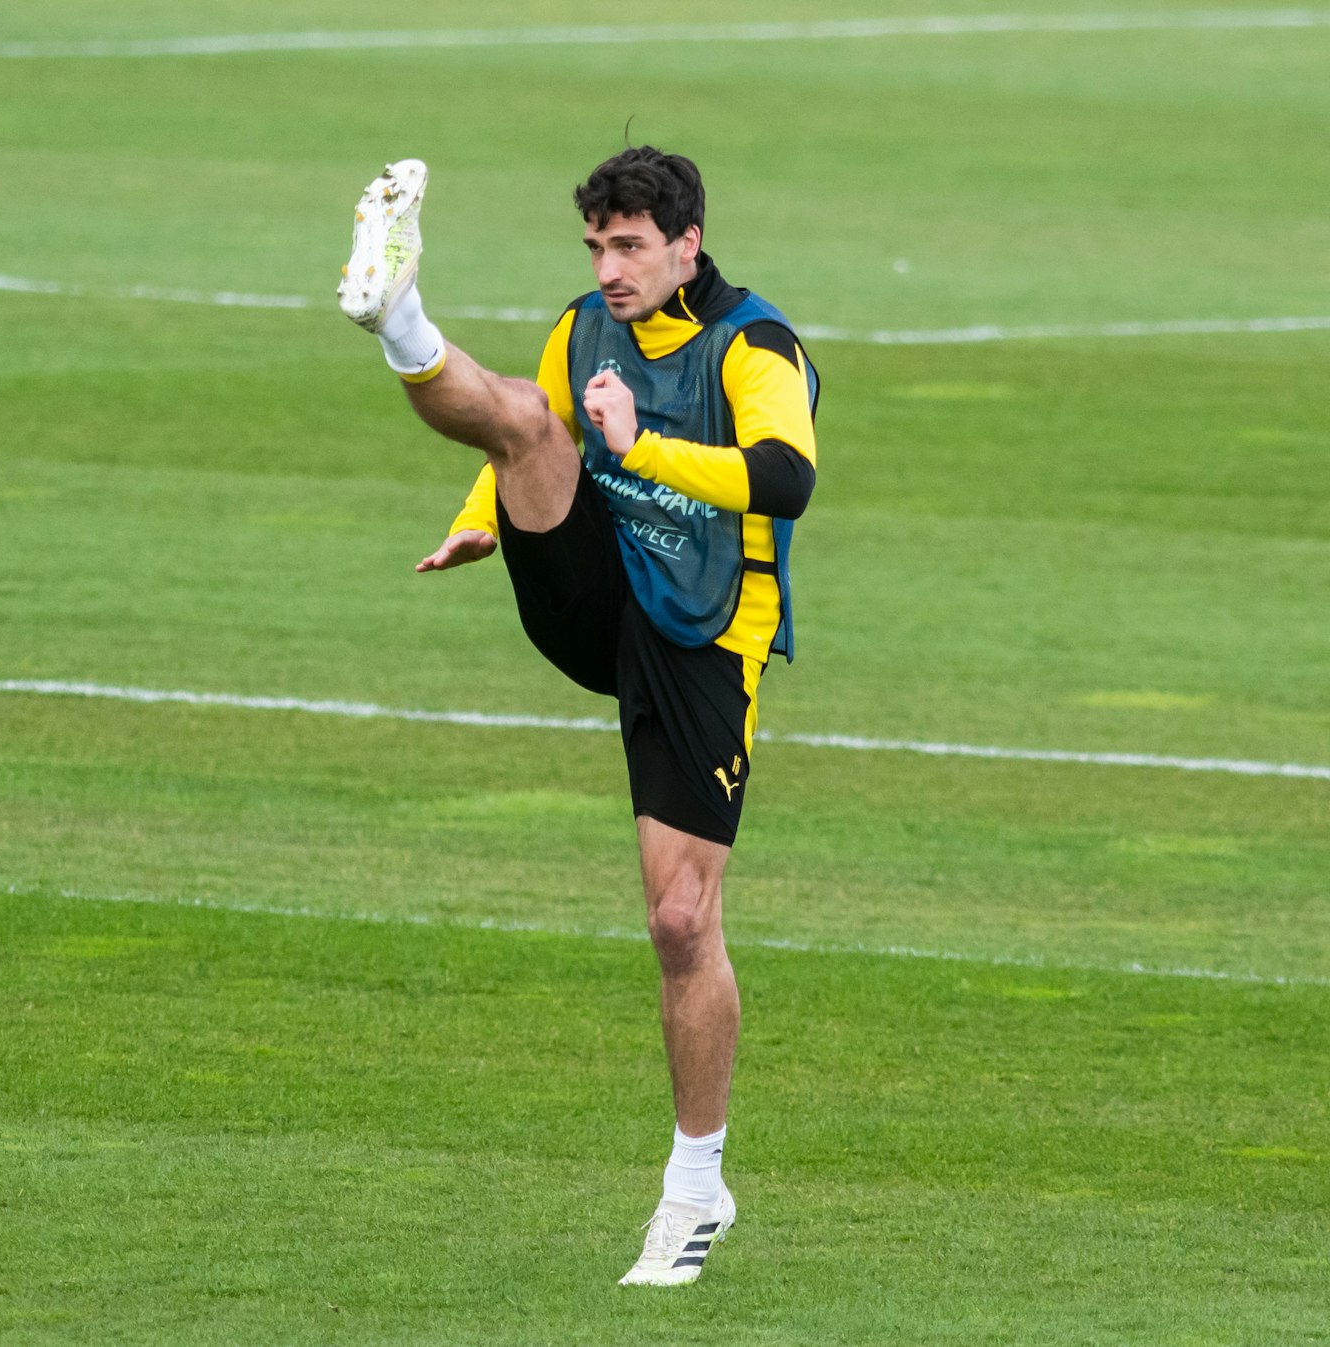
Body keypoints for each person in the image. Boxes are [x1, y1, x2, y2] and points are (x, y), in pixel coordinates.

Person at [336, 149, 820, 1287]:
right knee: (520, 422)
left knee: (676, 922)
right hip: (592, 591)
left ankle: (695, 1191)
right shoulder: (582, 327)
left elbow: (787, 478)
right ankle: (396, 316)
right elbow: (530, 430)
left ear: (686, 244)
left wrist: (639, 448)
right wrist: (480, 518)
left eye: (629, 248)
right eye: (596, 248)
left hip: (700, 635)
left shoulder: (756, 345)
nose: (608, 270)